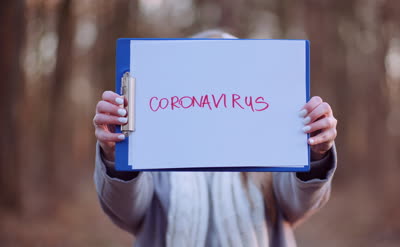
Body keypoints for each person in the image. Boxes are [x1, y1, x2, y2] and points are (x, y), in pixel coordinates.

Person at [93, 30, 338, 247]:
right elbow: (126, 211)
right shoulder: (155, 145)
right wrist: (115, 154)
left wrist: (316, 151)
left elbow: (300, 203)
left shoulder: (269, 142)